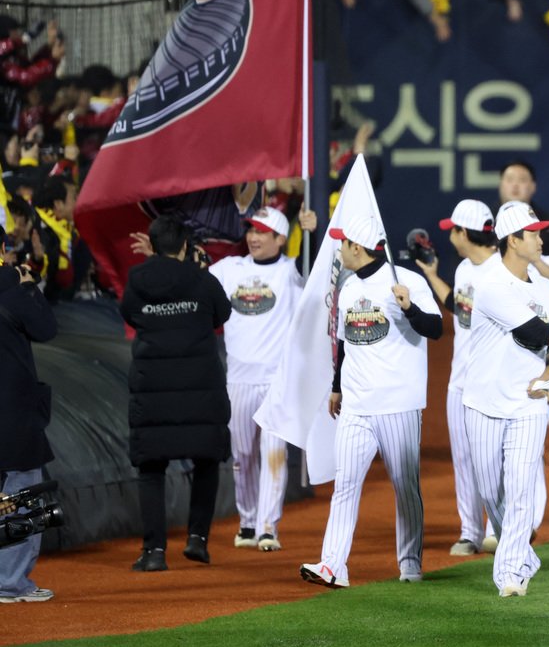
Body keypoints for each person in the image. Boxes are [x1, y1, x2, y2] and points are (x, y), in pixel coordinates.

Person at [299, 216, 442, 588]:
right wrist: (336, 387)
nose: (339, 248)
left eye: (343, 243)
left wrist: (409, 308)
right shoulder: (347, 287)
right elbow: (346, 344)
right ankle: (333, 565)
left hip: (398, 403)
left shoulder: (406, 280)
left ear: (357, 248)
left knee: (404, 487)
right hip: (357, 405)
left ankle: (410, 563)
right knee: (345, 483)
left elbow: (436, 328)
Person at [461, 201, 549, 597]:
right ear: (513, 240)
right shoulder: (490, 286)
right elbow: (540, 331)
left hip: (528, 403)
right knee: (491, 490)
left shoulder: (543, 286)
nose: (542, 238)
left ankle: (510, 575)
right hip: (484, 401)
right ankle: (521, 550)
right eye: (534, 233)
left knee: (521, 487)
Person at [120, 214, 232, 572]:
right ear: (185, 245)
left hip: (152, 387)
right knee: (206, 460)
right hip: (201, 388)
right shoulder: (203, 279)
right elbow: (222, 315)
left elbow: (131, 315)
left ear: (152, 245)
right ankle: (197, 539)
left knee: (151, 469)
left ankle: (154, 551)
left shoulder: (137, 279)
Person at [207, 205, 316, 551]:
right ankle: (248, 520)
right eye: (250, 230)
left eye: (260, 232)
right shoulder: (228, 269)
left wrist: (312, 230)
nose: (252, 237)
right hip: (237, 380)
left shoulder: (290, 272)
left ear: (280, 239)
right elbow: (195, 283)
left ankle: (268, 525)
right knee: (242, 455)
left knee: (274, 453)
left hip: (275, 382)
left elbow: (315, 266)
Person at [416, 199, 500, 556]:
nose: (450, 233)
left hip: (493, 383)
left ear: (464, 233)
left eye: (454, 229)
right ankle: (470, 531)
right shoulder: (466, 269)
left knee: (492, 461)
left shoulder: (502, 272)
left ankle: (501, 527)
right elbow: (457, 306)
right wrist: (433, 275)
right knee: (464, 458)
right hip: (459, 381)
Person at [0, 261, 57, 602]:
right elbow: (47, 329)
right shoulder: (11, 287)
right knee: (22, 495)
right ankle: (10, 581)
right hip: (13, 412)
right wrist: (28, 285)